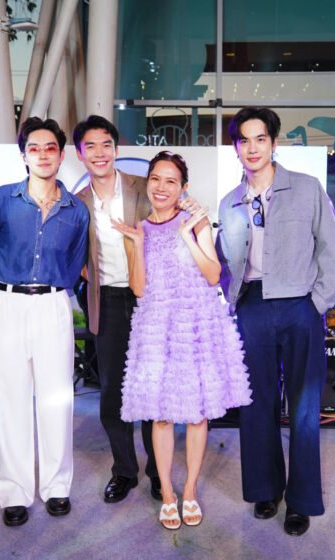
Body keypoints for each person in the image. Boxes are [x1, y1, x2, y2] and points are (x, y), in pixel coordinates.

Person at [215, 107, 335, 536]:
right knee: (256, 403)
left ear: (273, 143)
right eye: (244, 140)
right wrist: (234, 300)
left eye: (260, 139)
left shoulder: (306, 188)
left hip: (299, 305)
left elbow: (331, 249)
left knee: (304, 408)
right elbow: (224, 260)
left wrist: (316, 303)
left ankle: (302, 501)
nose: (252, 148)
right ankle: (265, 490)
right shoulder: (230, 202)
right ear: (236, 147)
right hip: (252, 306)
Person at [115, 151, 252, 530]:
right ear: (148, 183)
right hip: (156, 326)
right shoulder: (138, 229)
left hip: (194, 324)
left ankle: (189, 490)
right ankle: (167, 494)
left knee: (196, 414)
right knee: (160, 415)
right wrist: (137, 244)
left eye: (170, 181)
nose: (161, 187)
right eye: (155, 179)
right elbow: (138, 288)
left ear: (183, 187)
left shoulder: (197, 221)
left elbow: (213, 275)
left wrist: (188, 236)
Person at [0, 117, 89, 527]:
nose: (42, 155)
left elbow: (75, 264)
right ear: (23, 155)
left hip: (54, 304)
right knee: (10, 400)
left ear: (61, 154)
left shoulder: (76, 210)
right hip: (8, 303)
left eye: (50, 148)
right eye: (34, 148)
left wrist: (52, 297)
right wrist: (2, 308)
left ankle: (56, 487)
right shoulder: (0, 200)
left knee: (57, 398)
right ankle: (14, 492)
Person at [72, 115, 160, 503]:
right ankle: (124, 470)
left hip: (149, 300)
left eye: (105, 144)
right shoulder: (77, 204)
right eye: (90, 146)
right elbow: (74, 255)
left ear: (116, 148)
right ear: (80, 154)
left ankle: (158, 471)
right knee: (113, 393)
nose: (99, 152)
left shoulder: (144, 187)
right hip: (106, 301)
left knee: (152, 390)